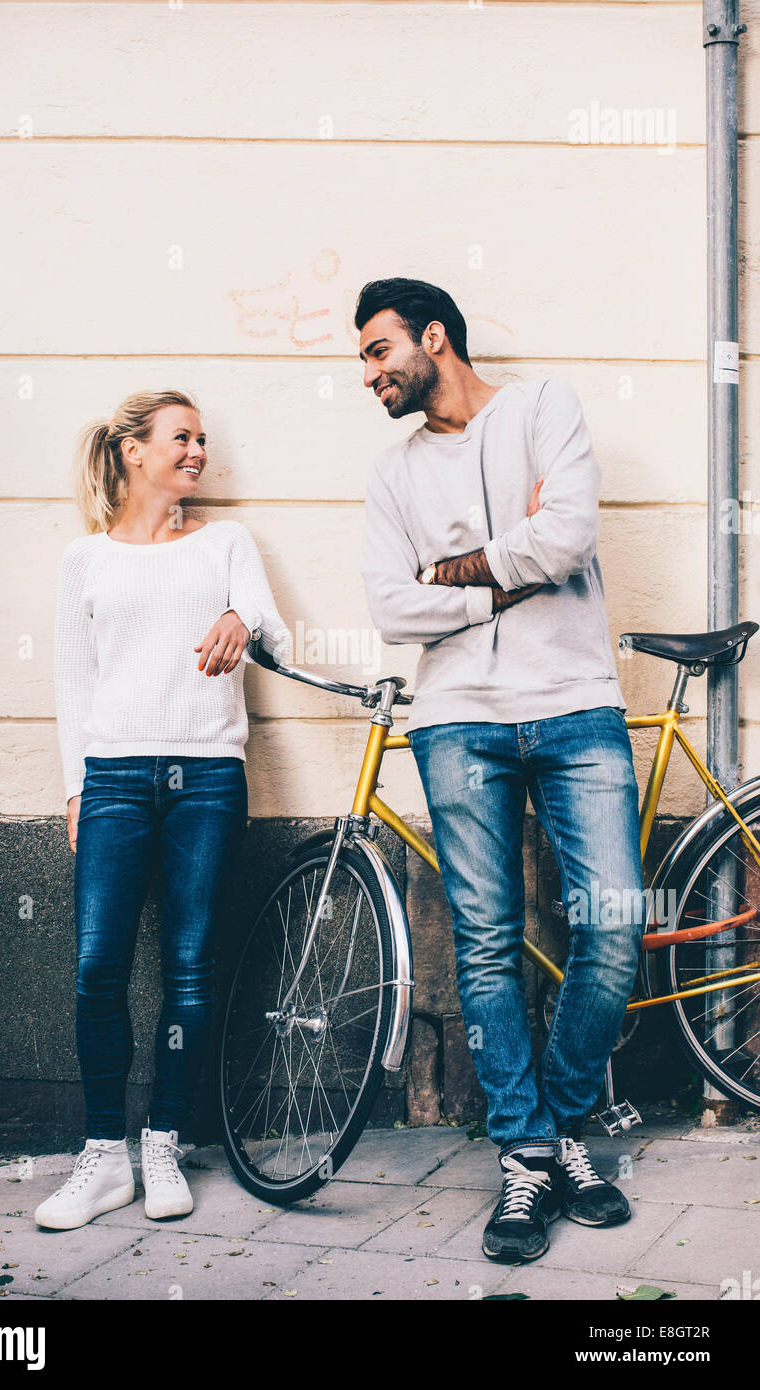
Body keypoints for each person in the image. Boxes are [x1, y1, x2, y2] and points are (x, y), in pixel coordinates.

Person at [356, 278, 645, 1263]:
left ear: (433, 337)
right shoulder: (390, 476)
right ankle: (526, 1157)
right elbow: (389, 608)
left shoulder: (540, 407)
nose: (367, 375)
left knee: (611, 925)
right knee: (484, 948)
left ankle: (563, 1127)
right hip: (456, 722)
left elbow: (566, 536)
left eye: (376, 351)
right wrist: (499, 577)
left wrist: (452, 567)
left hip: (573, 703)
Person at [36, 389, 291, 1230]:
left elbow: (276, 636)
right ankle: (104, 1154)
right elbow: (74, 684)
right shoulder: (87, 560)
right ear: (134, 451)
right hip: (113, 778)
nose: (197, 452)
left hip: (208, 777)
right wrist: (77, 787)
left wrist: (237, 613)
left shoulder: (225, 543)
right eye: (181, 438)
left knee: (189, 967)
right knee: (96, 967)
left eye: (203, 440)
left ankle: (164, 1140)